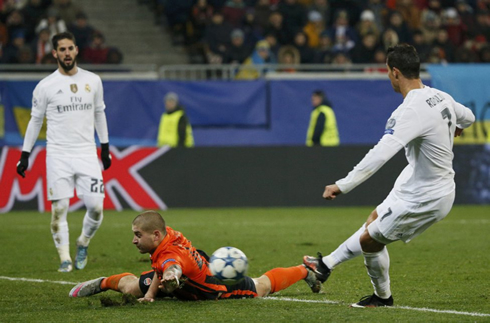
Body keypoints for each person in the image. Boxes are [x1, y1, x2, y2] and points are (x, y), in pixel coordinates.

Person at [302, 44, 475, 307]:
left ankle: (383, 298)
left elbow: (380, 154)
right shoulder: (440, 96)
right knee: (373, 220)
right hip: (415, 180)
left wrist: (343, 185)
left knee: (370, 241)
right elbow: (470, 116)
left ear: (395, 72)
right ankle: (325, 265)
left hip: (427, 195)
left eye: (386, 71)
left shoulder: (409, 111)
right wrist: (458, 127)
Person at [16, 31, 112, 273]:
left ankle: (83, 243)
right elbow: (34, 122)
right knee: (59, 208)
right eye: (62, 49)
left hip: (86, 153)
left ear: (76, 50)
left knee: (97, 207)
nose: (67, 53)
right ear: (54, 53)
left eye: (70, 48)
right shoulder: (45, 86)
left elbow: (99, 113)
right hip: (58, 154)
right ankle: (65, 259)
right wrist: (25, 155)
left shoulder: (93, 81)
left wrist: (105, 147)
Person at [69, 210, 322, 301]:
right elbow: (164, 266)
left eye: (138, 235)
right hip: (191, 270)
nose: (134, 240)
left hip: (213, 283)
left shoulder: (169, 254)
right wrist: (150, 294)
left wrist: (171, 277)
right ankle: (102, 283)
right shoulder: (165, 237)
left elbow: (171, 267)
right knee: (132, 287)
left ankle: (305, 270)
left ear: (156, 235)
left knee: (260, 286)